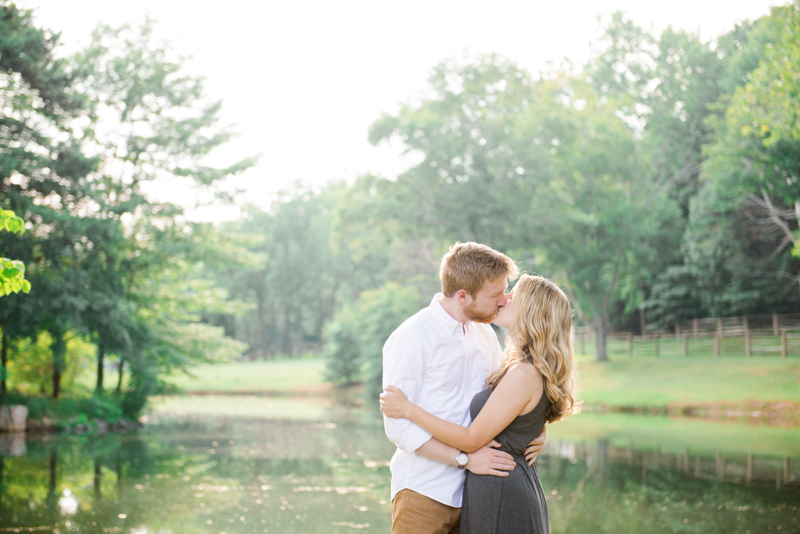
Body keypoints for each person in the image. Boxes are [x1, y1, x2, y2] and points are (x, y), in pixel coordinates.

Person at [381, 273, 580, 534]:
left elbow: (472, 438)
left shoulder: (520, 369)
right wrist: (533, 429)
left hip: (502, 490)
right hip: (443, 487)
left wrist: (409, 410)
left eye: (512, 296)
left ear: (530, 312)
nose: (502, 300)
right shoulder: (516, 363)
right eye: (498, 293)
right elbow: (512, 408)